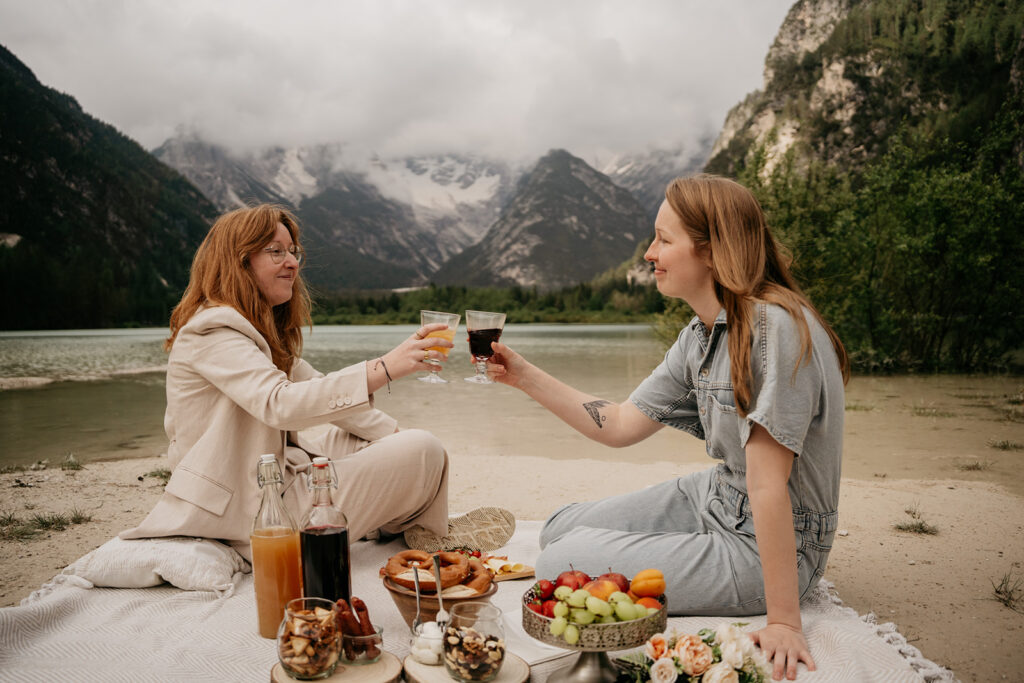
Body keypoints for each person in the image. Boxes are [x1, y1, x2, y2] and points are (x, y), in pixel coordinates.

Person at [485, 175, 849, 681]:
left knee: (557, 564)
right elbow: (618, 424)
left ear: (712, 250)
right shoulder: (700, 335)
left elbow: (768, 485)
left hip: (764, 541)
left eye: (663, 239)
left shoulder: (775, 330)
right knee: (557, 528)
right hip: (718, 495)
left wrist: (784, 621)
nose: (649, 253)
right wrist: (523, 375)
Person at [122, 204, 514, 561]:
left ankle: (410, 524)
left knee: (372, 438)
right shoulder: (213, 331)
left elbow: (322, 390)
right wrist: (386, 367)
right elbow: (280, 403)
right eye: (276, 251)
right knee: (424, 449)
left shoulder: (256, 333)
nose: (292, 262)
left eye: (294, 251)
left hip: (269, 480)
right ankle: (416, 526)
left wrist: (393, 436)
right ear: (239, 262)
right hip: (253, 515)